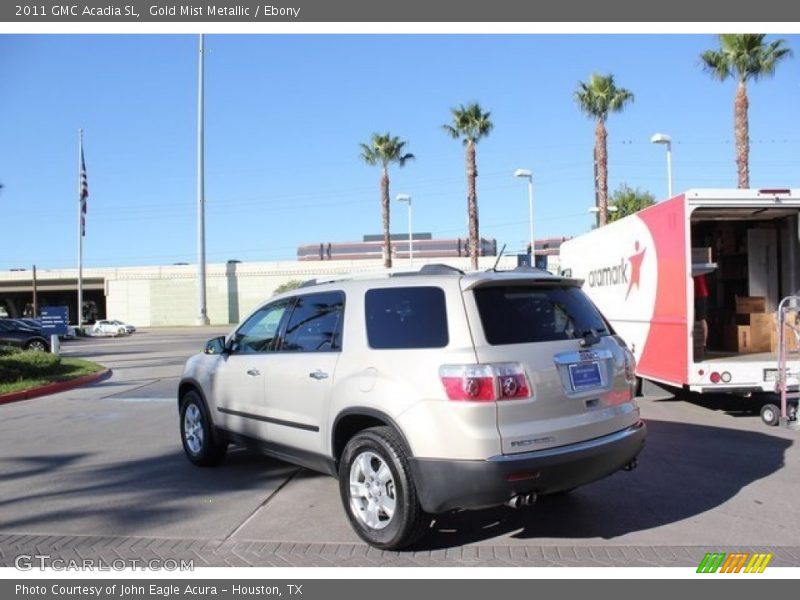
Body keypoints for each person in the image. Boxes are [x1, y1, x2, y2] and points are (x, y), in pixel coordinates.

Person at [694, 273, 709, 350]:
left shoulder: (697, 270)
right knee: (700, 319)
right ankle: (701, 343)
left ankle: (704, 344)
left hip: (700, 295)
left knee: (702, 318)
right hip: (698, 294)